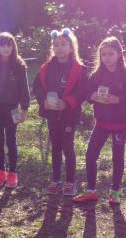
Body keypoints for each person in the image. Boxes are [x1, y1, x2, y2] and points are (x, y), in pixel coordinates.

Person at [73, 36, 126, 205]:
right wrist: (92, 96)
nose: (107, 58)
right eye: (104, 54)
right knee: (90, 155)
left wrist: (117, 99)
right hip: (101, 123)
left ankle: (115, 192)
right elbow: (87, 94)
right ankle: (91, 191)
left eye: (111, 54)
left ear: (119, 54)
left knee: (117, 157)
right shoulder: (96, 75)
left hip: (120, 124)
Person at [33, 28, 87, 196]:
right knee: (55, 145)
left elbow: (82, 91)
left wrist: (66, 103)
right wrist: (44, 101)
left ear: (71, 47)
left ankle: (70, 182)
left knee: (67, 146)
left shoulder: (79, 69)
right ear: (52, 48)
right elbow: (37, 86)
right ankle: (56, 179)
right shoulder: (46, 68)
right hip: (52, 114)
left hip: (69, 114)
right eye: (56, 45)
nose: (60, 48)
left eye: (63, 44)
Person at [0, 32, 30, 189]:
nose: (5, 48)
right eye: (2, 45)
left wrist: (24, 109)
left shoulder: (19, 66)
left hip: (13, 109)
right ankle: (1, 170)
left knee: (11, 140)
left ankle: (12, 173)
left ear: (13, 46)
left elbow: (24, 89)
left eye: (9, 44)